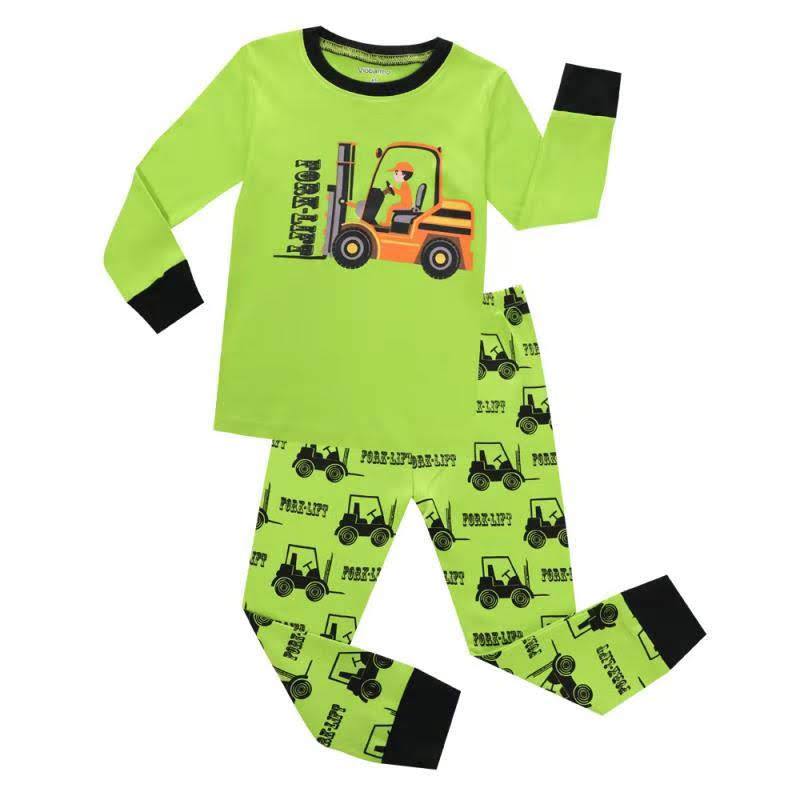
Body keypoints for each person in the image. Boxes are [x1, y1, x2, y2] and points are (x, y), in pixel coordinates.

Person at [381, 160, 414, 226]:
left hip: (406, 205)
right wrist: (392, 188)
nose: (394, 175)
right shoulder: (404, 184)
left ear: (404, 174)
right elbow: (401, 193)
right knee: (391, 207)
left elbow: (401, 193)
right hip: (405, 204)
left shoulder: (405, 185)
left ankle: (387, 223)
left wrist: (393, 188)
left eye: (396, 173)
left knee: (391, 208)